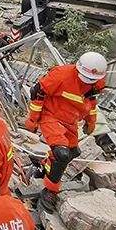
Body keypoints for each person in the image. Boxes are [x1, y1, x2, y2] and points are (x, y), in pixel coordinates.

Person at [25, 51, 107, 212]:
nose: (88, 81)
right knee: (61, 154)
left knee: (72, 152)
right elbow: (37, 93)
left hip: (71, 121)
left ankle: (44, 168)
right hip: (51, 116)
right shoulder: (61, 75)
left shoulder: (97, 83)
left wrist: (91, 121)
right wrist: (33, 119)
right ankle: (50, 190)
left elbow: (91, 101)